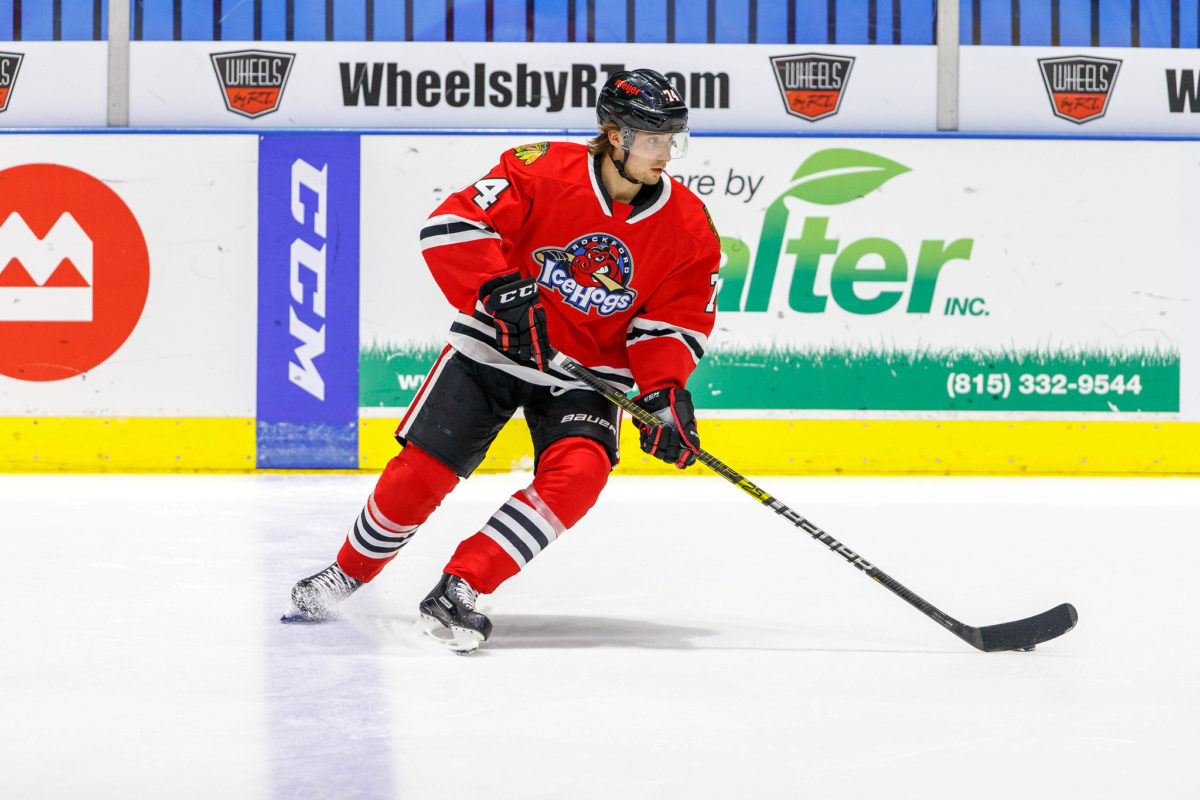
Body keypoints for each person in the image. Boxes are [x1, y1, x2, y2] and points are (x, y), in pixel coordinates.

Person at [282, 68, 722, 653]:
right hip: (495, 347)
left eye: (673, 140)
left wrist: (664, 391)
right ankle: (347, 572)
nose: (666, 153)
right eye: (652, 140)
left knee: (580, 475)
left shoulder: (690, 226)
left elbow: (674, 321)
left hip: (585, 374)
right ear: (614, 135)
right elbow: (452, 223)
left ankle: (462, 585)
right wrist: (498, 289)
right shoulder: (541, 169)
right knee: (422, 473)